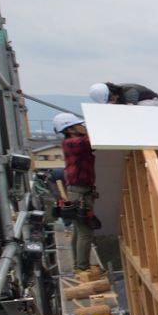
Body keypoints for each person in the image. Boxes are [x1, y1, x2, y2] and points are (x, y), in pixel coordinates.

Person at [55, 112, 98, 273]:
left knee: (79, 230)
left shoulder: (72, 142)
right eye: (79, 124)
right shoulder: (75, 142)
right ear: (71, 129)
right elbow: (94, 139)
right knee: (86, 232)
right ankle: (82, 267)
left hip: (79, 191)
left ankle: (78, 265)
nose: (83, 126)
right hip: (80, 192)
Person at [89, 82, 158, 105]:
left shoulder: (129, 92)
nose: (111, 102)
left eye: (110, 99)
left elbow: (130, 111)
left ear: (112, 92)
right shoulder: (117, 94)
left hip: (153, 102)